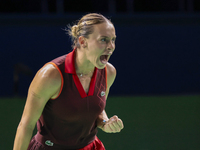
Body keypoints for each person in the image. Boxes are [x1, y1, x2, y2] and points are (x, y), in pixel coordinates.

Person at [13, 13, 124, 150]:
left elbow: (96, 111)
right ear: (83, 42)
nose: (111, 46)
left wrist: (105, 123)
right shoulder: (51, 75)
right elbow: (26, 125)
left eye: (113, 40)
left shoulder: (109, 73)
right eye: (104, 40)